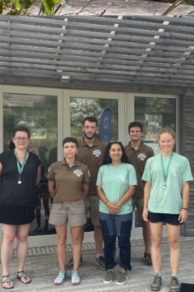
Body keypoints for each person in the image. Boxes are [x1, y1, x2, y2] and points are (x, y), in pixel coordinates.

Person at [0, 125, 44, 289]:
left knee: (22, 238)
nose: (21, 140)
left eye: (24, 138)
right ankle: (5, 274)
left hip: (27, 203)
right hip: (8, 203)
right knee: (8, 238)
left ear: (29, 140)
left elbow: (36, 181)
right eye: (18, 138)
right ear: (13, 140)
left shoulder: (35, 159)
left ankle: (20, 271)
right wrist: (9, 189)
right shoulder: (4, 157)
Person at [142, 127, 193, 292]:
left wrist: (184, 208)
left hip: (173, 207)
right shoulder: (151, 161)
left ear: (174, 141)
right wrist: (145, 207)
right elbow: (147, 185)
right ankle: (157, 275)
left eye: (168, 141)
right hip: (155, 206)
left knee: (173, 242)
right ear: (158, 142)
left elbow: (185, 186)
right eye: (163, 141)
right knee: (156, 241)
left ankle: (174, 277)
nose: (166, 144)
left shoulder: (182, 161)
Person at [48, 137, 91, 285]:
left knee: (76, 240)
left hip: (77, 205)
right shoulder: (55, 166)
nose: (69, 149)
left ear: (77, 149)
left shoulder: (83, 168)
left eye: (72, 147)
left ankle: (75, 271)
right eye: (66, 147)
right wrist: (59, 198)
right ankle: (62, 271)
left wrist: (76, 198)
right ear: (63, 149)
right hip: (59, 205)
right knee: (61, 240)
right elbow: (51, 187)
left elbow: (85, 189)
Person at [98, 141, 138, 284]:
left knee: (123, 242)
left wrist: (118, 205)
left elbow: (132, 189)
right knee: (108, 241)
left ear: (122, 152)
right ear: (108, 152)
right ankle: (109, 268)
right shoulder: (103, 169)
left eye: (119, 150)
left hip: (124, 211)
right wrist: (108, 204)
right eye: (113, 150)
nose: (116, 152)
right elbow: (99, 189)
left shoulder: (129, 168)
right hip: (105, 211)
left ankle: (123, 269)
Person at [75, 115, 109, 270]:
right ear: (83, 128)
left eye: (92, 127)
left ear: (96, 129)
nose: (89, 130)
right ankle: (78, 255)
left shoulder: (104, 146)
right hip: (79, 194)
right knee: (78, 225)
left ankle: (99, 255)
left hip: (98, 193)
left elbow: (110, 169)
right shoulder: (75, 146)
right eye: (87, 127)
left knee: (98, 225)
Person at [124, 121, 155, 266]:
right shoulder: (123, 150)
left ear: (141, 133)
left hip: (144, 193)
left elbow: (153, 173)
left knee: (146, 223)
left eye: (137, 131)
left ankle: (147, 251)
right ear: (129, 133)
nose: (135, 133)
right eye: (132, 131)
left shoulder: (148, 151)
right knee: (125, 224)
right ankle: (125, 251)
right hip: (127, 194)